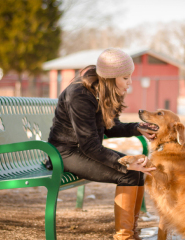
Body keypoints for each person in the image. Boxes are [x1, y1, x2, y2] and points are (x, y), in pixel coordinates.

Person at [46, 48, 156, 240]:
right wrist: (124, 163)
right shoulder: (79, 94)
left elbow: (110, 127)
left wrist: (137, 128)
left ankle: (132, 231)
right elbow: (89, 145)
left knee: (137, 170)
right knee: (129, 172)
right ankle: (125, 237)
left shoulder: (104, 90)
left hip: (86, 150)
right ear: (110, 77)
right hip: (65, 153)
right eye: (125, 78)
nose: (130, 83)